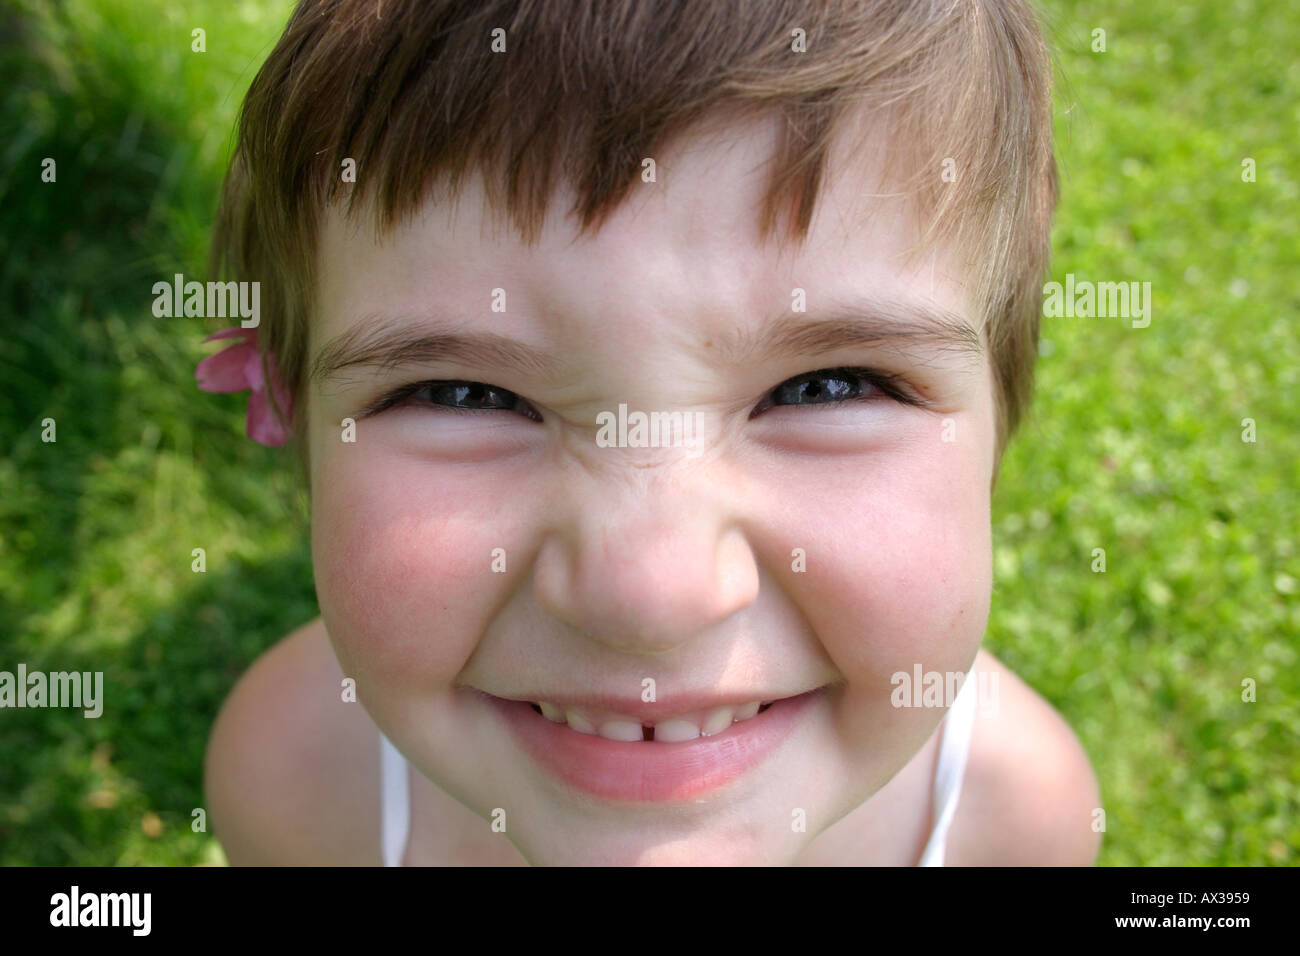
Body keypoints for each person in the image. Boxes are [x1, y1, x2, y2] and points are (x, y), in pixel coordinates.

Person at [202, 0, 1101, 866]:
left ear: (998, 413)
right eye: (463, 394)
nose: (649, 596)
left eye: (828, 388)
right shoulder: (296, 787)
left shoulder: (1016, 825)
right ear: (300, 422)